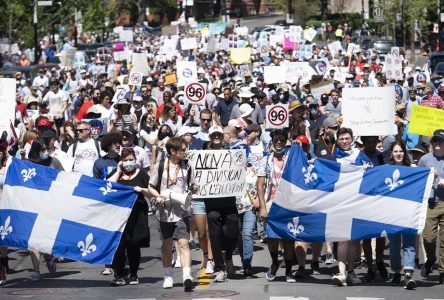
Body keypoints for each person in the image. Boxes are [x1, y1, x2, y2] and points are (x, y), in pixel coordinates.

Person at [148, 137, 197, 292]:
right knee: (167, 245)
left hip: (182, 211)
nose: (185, 152)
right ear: (172, 151)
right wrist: (157, 196)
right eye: (183, 149)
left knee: (183, 243)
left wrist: (194, 189)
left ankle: (186, 276)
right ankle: (168, 275)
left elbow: (193, 186)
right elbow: (151, 186)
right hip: (164, 213)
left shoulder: (188, 167)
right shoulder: (160, 166)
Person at [257, 129, 297, 283]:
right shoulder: (265, 160)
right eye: (276, 141)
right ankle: (274, 263)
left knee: (287, 238)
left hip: (288, 203)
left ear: (286, 142)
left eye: (281, 140)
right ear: (272, 142)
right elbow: (260, 185)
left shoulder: (291, 159)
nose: (278, 143)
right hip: (271, 202)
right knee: (272, 237)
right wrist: (262, 206)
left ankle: (288, 271)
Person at [203, 126, 240, 282]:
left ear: (223, 136)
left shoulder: (231, 152)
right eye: (214, 135)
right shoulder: (203, 155)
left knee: (233, 232)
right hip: (211, 203)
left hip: (229, 201)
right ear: (210, 137)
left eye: (219, 134)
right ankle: (219, 268)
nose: (217, 137)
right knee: (215, 236)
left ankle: (229, 256)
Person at [108, 147, 150, 286]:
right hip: (118, 217)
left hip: (137, 215)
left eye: (131, 160)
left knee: (133, 245)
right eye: (125, 160)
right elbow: (107, 186)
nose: (128, 163)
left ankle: (133, 274)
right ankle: (119, 274)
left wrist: (142, 190)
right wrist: (119, 171)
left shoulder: (142, 175)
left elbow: (152, 192)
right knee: (118, 247)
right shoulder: (117, 173)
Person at [27, 139, 64, 281]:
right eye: (42, 150)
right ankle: (36, 271)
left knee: (44, 240)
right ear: (36, 151)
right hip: (32, 205)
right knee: (32, 240)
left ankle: (49, 258)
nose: (45, 152)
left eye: (47, 149)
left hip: (50, 205)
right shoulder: (29, 164)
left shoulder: (54, 162)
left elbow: (64, 179)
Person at [354, 136, 389, 282]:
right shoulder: (359, 156)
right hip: (364, 200)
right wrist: (360, 170)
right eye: (368, 142)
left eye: (373, 142)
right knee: (366, 237)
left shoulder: (380, 156)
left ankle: (380, 260)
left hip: (379, 199)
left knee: (381, 234)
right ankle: (370, 266)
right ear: (364, 142)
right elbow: (353, 175)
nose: (371, 144)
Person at [385, 141, 417, 289]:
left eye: (401, 151)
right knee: (395, 245)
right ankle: (397, 272)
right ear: (391, 153)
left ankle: (408, 274)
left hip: (409, 211)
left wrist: (427, 172)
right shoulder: (385, 169)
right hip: (392, 213)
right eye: (395, 151)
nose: (398, 154)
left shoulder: (412, 169)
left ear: (405, 153)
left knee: (409, 244)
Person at [418, 129, 444, 284]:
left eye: (440, 141)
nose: (437, 144)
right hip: (430, 203)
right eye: (435, 141)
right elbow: (417, 181)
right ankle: (431, 259)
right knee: (428, 238)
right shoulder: (425, 159)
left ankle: (442, 270)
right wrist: (429, 177)